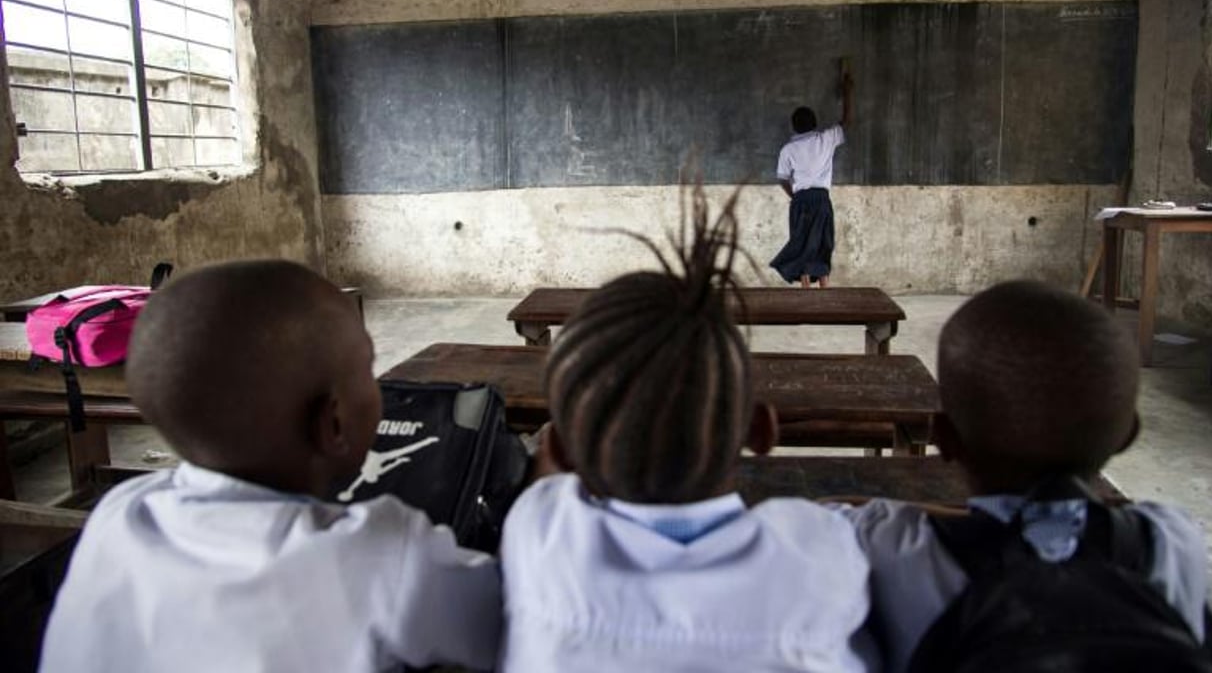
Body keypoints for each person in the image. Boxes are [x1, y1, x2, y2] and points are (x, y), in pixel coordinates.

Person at [39, 260, 502, 673]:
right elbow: (511, 623)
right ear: (334, 423)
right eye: (368, 368)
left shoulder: (120, 511)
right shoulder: (383, 552)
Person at [496, 186, 873, 673]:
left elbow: (545, 490)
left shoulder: (537, 538)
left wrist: (564, 444)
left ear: (562, 451)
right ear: (761, 430)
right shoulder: (820, 554)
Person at [837, 280, 1209, 672]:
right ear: (1127, 435)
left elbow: (826, 513)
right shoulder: (1168, 542)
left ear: (944, 437)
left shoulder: (891, 544)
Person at [770, 64, 852, 288]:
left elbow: (782, 177)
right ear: (814, 123)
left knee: (802, 241)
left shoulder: (788, 148)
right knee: (823, 240)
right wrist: (847, 92)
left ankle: (805, 284)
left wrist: (793, 195)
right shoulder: (825, 139)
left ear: (794, 127)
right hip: (821, 199)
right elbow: (846, 120)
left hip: (801, 199)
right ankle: (824, 283)